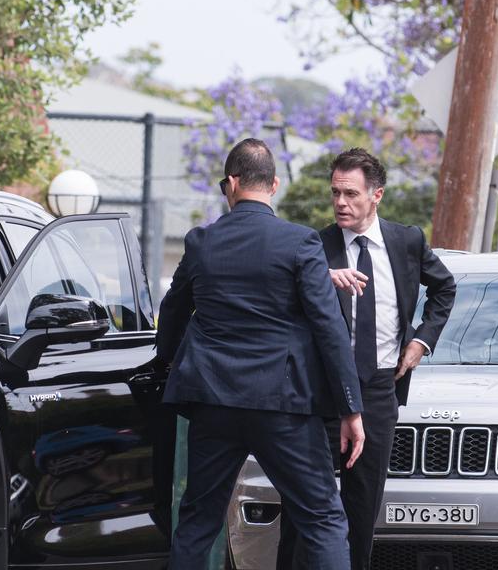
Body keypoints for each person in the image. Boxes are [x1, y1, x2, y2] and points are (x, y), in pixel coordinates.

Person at [157, 138, 365, 570]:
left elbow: (172, 311)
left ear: (230, 183)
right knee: (323, 517)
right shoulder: (300, 243)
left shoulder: (201, 242)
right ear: (273, 185)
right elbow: (329, 328)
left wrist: (171, 365)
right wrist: (350, 409)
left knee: (198, 520)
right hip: (283, 405)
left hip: (213, 402)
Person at [278, 148, 457, 570]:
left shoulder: (406, 240)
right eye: (335, 193)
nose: (341, 202)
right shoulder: (313, 246)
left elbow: (444, 288)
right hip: (321, 395)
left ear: (376, 195)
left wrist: (421, 342)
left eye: (351, 194)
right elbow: (281, 292)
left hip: (378, 388)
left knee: (362, 509)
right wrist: (321, 275)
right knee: (303, 509)